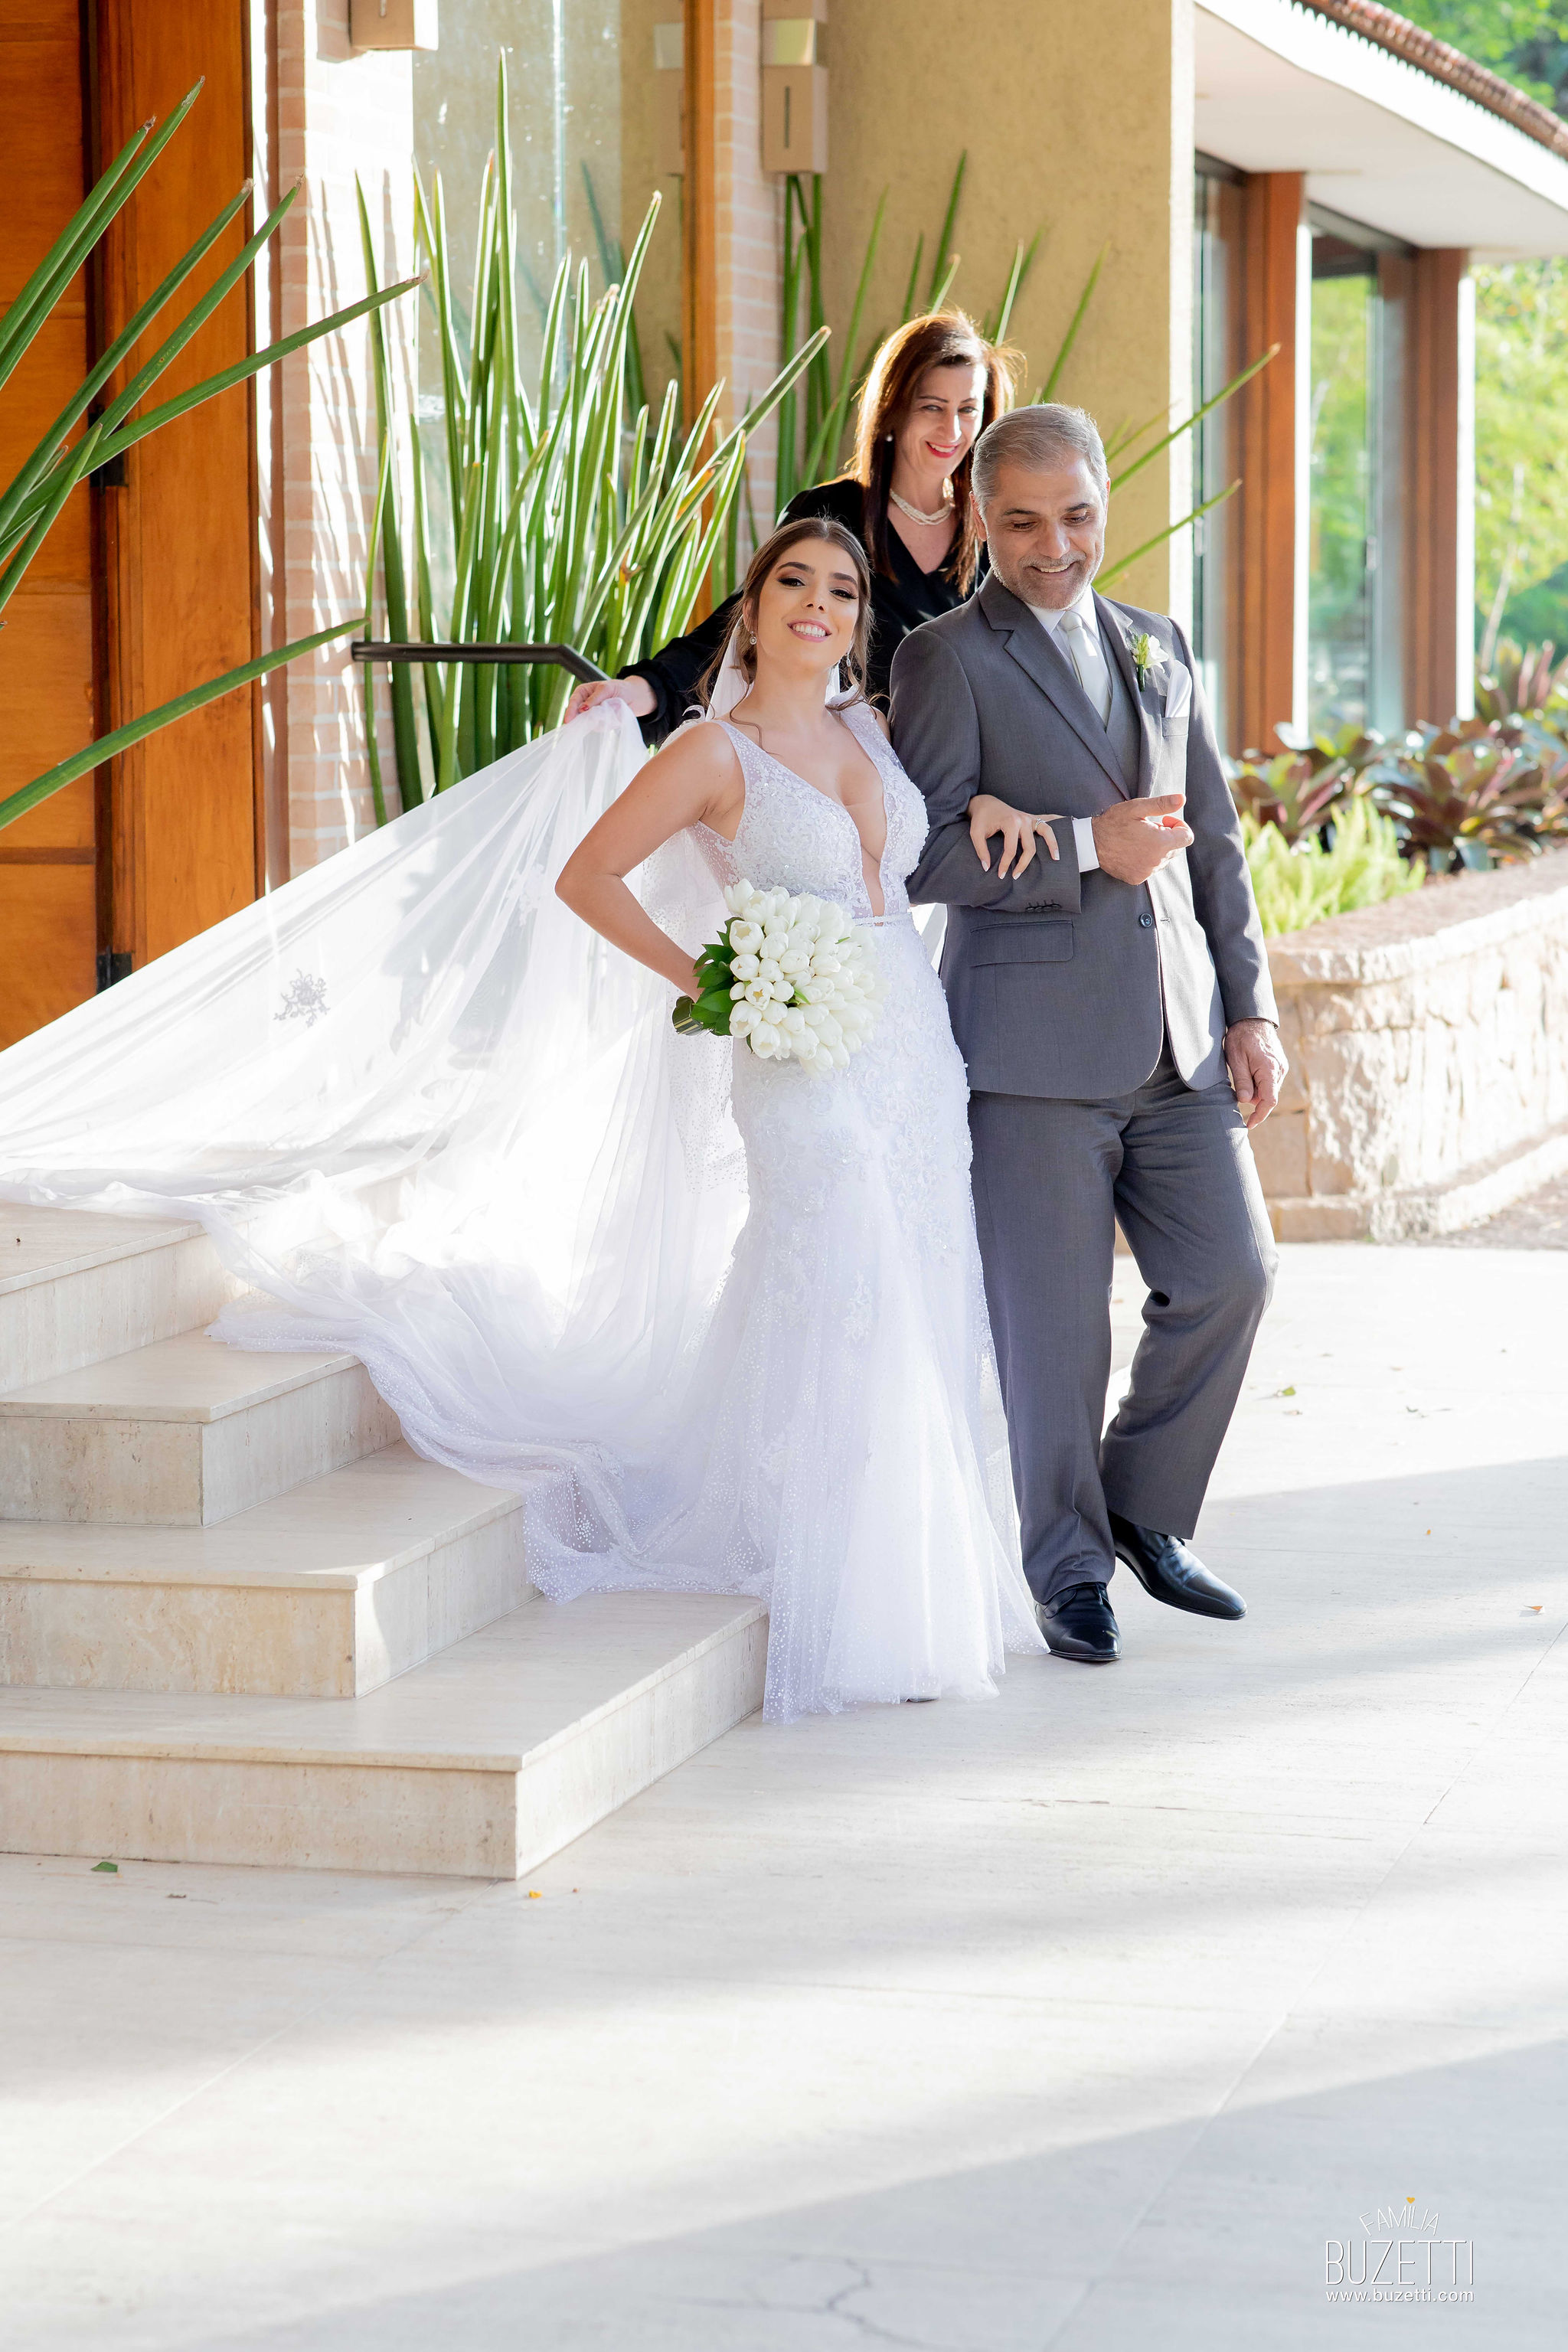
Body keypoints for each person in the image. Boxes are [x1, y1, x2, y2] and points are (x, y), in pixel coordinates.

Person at [552, 514, 1047, 1713]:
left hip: (911, 1038)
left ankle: (913, 1564)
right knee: (845, 1269)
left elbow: (913, 849)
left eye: (841, 590)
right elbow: (587, 876)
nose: (818, 604)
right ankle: (856, 1594)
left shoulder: (872, 727)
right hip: (797, 1045)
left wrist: (983, 806)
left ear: (857, 622)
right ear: (756, 605)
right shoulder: (714, 751)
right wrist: (710, 985)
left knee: (921, 1271)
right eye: (794, 582)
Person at [890, 403, 1287, 1669]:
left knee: (1233, 1275)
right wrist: (1077, 846)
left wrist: (1250, 1006)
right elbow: (918, 855)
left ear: (1103, 504)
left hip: (1178, 1038)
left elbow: (1212, 844)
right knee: (1053, 1335)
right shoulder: (945, 659)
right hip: (1030, 1056)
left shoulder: (1159, 642)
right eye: (1020, 522)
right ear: (981, 520)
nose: (1052, 546)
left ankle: (1140, 1505)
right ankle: (1065, 1572)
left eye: (1073, 516)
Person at [564, 311, 1019, 737]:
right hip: (854, 774)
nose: (952, 431)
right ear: (893, 410)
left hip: (964, 778)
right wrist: (643, 690)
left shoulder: (993, 531)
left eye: (967, 409)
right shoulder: (832, 514)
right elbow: (745, 625)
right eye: (932, 407)